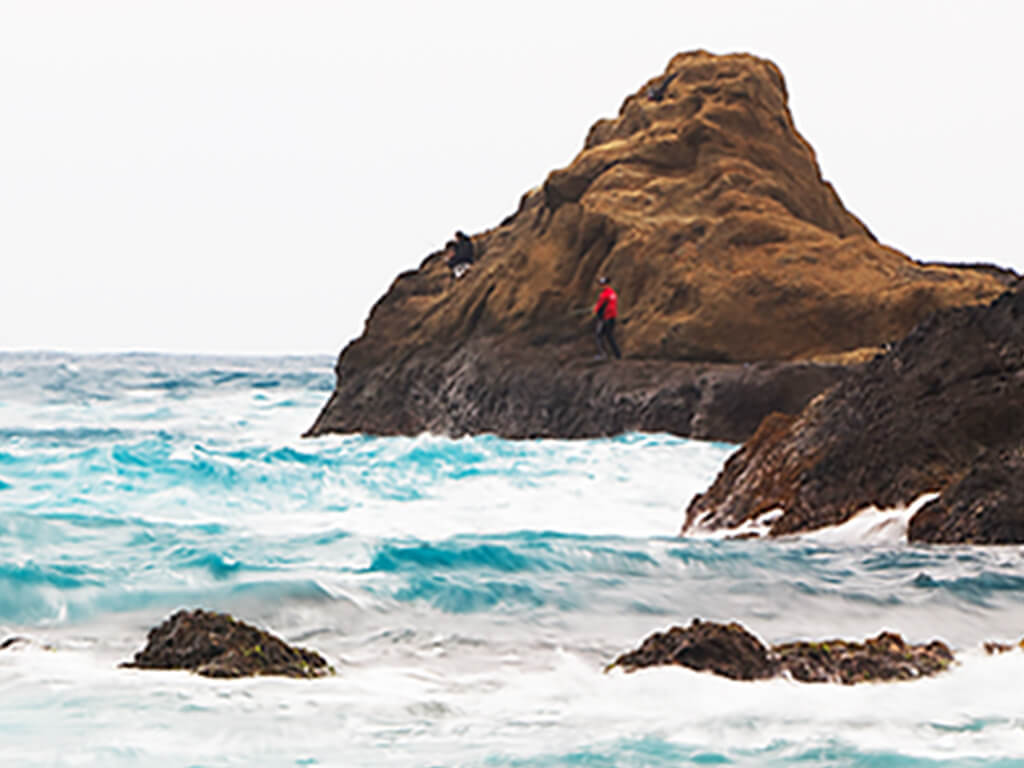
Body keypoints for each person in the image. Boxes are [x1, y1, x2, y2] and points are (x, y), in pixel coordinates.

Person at [593, 276, 621, 360]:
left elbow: (599, 306)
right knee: (609, 336)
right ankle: (617, 354)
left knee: (599, 335)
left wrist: (596, 309)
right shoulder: (612, 293)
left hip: (605, 318)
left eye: (602, 284)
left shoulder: (604, 294)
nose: (601, 286)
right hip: (612, 317)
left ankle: (603, 354)